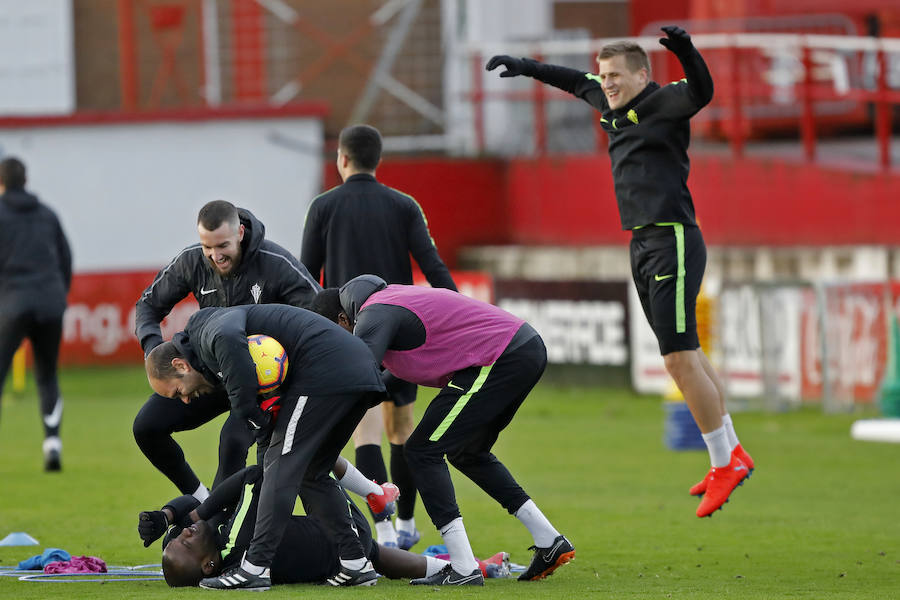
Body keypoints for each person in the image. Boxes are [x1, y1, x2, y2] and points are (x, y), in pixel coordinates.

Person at [486, 26, 754, 518]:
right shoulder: (608, 101)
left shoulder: (666, 102)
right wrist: (525, 65)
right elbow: (572, 80)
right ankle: (731, 452)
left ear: (642, 75)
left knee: (676, 358)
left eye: (615, 75)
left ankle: (724, 462)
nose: (606, 83)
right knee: (685, 352)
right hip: (642, 241)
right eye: (604, 75)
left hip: (672, 236)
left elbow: (703, 91)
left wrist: (686, 51)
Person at [314, 275, 575, 586]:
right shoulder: (382, 306)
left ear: (344, 319)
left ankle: (464, 567)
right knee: (468, 453)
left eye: (334, 336)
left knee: (422, 450)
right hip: (516, 351)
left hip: (499, 357)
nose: (336, 346)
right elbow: (379, 386)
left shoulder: (373, 314)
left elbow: (358, 379)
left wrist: (315, 420)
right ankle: (548, 540)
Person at [144, 303, 388, 589]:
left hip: (325, 371)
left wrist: (249, 413)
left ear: (180, 365)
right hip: (353, 370)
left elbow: (226, 333)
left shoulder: (205, 332)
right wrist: (259, 423)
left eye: (178, 392)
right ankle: (355, 563)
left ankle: (256, 567)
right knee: (312, 471)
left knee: (280, 466)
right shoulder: (208, 354)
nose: (185, 400)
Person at [301, 124, 457, 549]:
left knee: (365, 432)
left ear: (342, 159)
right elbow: (434, 266)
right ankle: (406, 525)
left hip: (347, 333)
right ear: (378, 160)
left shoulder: (323, 206)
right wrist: (458, 314)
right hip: (402, 331)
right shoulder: (404, 205)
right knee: (402, 431)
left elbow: (306, 278)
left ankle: (384, 532)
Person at [133, 200, 321, 502]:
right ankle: (202, 501)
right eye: (207, 247)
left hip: (261, 381)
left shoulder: (276, 264)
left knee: (232, 441)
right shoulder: (191, 261)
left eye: (222, 246)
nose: (215, 256)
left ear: (241, 233)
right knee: (146, 427)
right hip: (208, 373)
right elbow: (147, 306)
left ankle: (222, 531)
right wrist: (155, 353)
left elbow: (318, 316)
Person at [138, 464, 510, 589]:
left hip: (348, 553)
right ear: (208, 566)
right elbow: (255, 476)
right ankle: (375, 492)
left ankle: (476, 567)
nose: (186, 533)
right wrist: (202, 513)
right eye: (185, 542)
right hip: (345, 535)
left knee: (380, 557)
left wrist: (169, 515)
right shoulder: (238, 540)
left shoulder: (225, 546)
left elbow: (196, 513)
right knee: (303, 454)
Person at [0, 157, 72, 472]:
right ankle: (52, 443)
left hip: (12, 304)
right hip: (50, 302)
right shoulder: (47, 214)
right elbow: (65, 258)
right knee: (46, 374)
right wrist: (58, 295)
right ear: (26, 180)